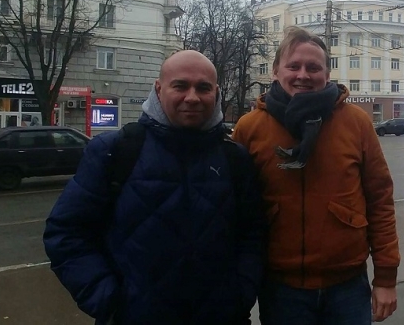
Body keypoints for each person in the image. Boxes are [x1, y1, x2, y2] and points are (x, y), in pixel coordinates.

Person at [44, 50, 265, 325]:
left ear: (216, 93)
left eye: (203, 88)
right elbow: (66, 233)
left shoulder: (235, 158)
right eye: (180, 86)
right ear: (159, 89)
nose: (192, 97)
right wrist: (109, 301)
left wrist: (240, 294)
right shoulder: (116, 151)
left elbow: (253, 235)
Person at [232, 26, 400, 324]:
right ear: (275, 71)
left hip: (347, 285)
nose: (303, 75)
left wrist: (386, 277)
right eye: (293, 66)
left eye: (313, 67)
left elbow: (380, 201)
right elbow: (236, 212)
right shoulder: (249, 127)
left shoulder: (356, 122)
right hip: (281, 288)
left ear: (327, 74)